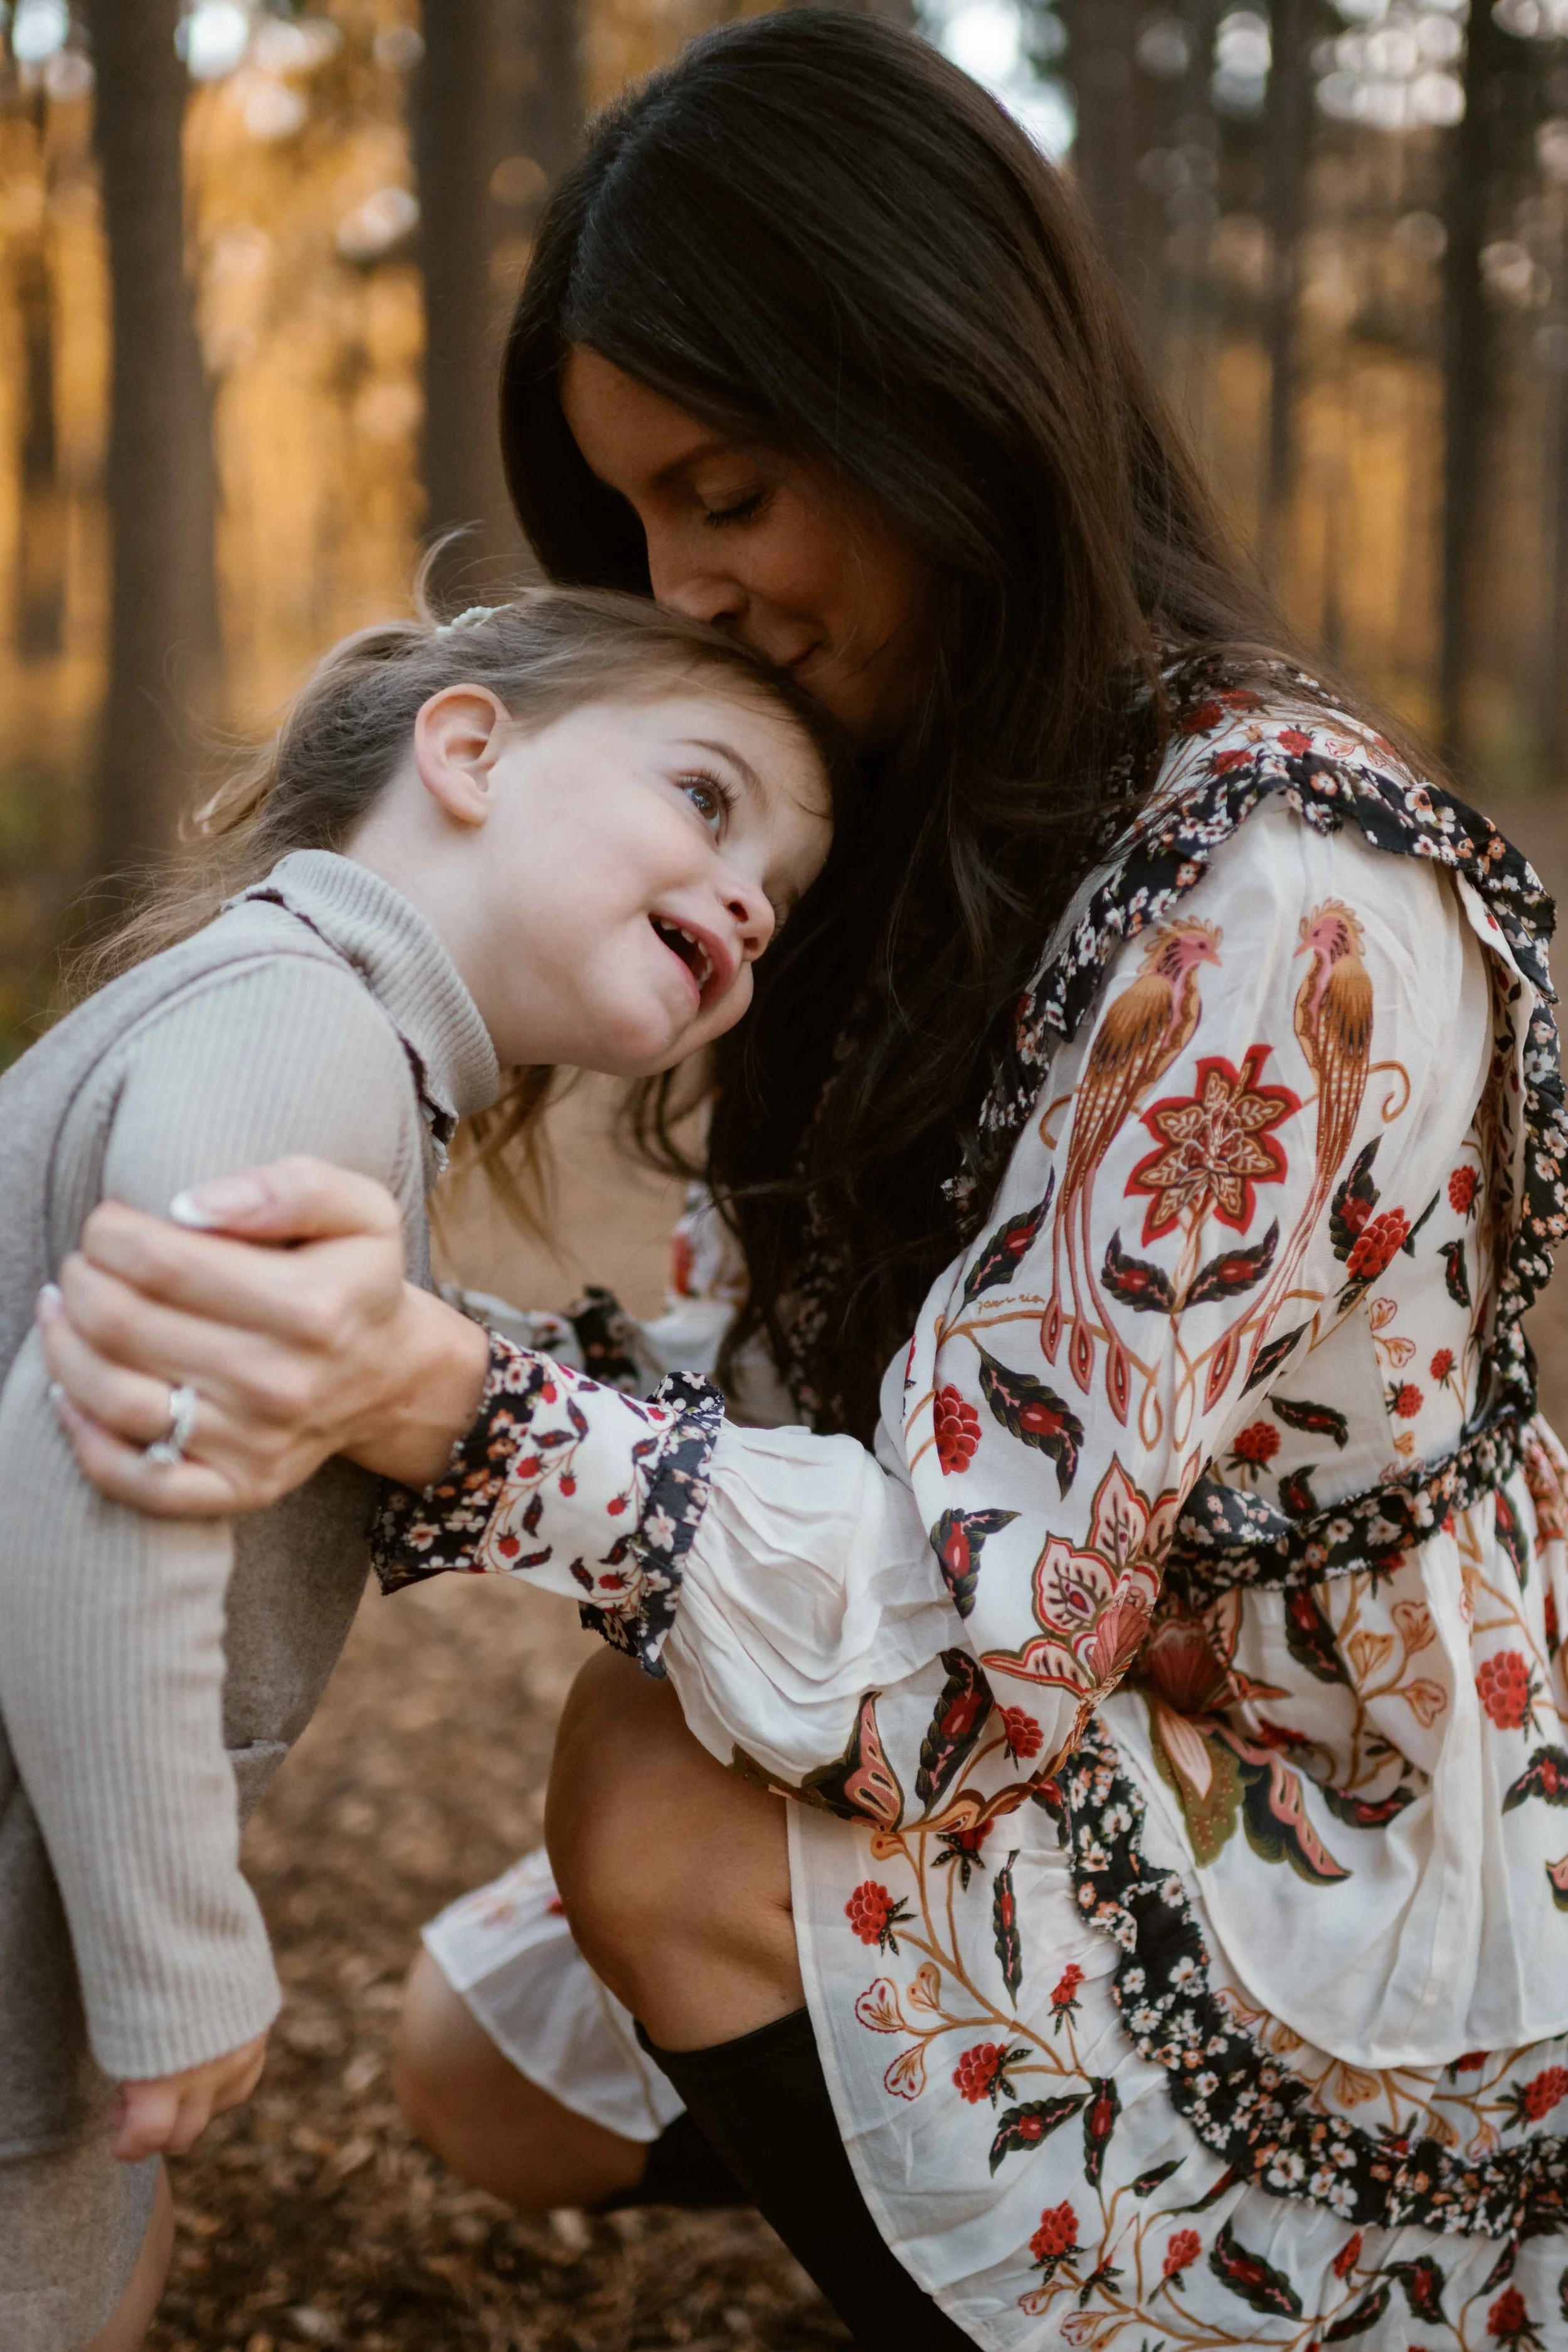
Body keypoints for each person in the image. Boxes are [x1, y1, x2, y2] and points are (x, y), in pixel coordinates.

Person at [41, 11, 1568, 2348]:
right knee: (484, 2075)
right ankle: (994, 2180)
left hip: (1318, 1798)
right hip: (1098, 1718)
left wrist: (451, 1399)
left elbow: (979, 1648)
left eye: (731, 493)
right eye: (637, 517)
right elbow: (848, 1396)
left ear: (936, 393)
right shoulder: (932, 801)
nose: (689, 584)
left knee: (655, 1809)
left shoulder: (1278, 900)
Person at [1, 584, 834, 2352]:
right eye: (706, 798)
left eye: (782, 890)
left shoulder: (304, 1027)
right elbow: (95, 1491)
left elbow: (370, 1364)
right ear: (467, 750)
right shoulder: (301, 1037)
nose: (752, 901)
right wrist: (175, 1951)